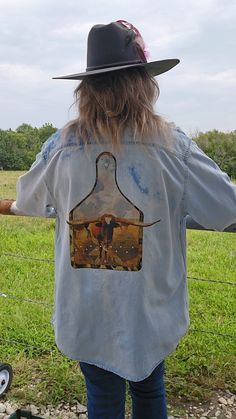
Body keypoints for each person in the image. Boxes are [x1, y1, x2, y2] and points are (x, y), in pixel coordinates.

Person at [1, 20, 236, 419]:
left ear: (87, 89)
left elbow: (28, 200)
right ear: (143, 84)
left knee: (103, 396)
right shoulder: (171, 147)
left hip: (86, 313)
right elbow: (227, 208)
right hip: (150, 314)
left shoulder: (63, 147)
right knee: (149, 390)